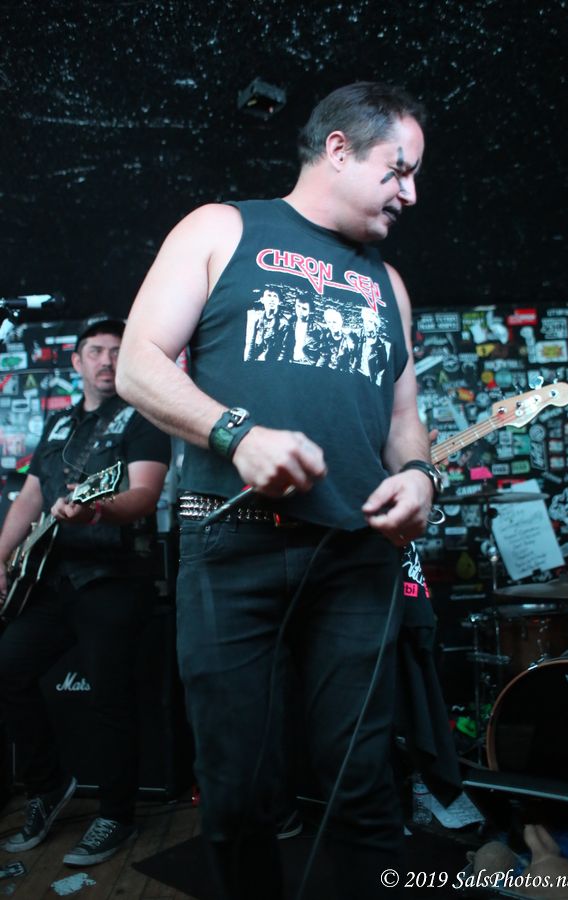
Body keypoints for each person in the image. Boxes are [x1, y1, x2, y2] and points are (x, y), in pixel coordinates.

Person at [116, 82, 441, 899]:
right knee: (238, 789)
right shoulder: (221, 228)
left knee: (363, 782)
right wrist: (236, 434)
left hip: (356, 553)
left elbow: (406, 419)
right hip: (234, 543)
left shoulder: (389, 284)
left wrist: (420, 475)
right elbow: (137, 365)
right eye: (399, 169)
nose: (411, 193)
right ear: (339, 149)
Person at [0, 314, 170, 866]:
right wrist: (0, 557)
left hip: (114, 580)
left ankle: (116, 815)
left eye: (117, 351)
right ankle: (47, 787)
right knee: (8, 669)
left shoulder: (144, 419)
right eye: (95, 351)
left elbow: (144, 493)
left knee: (109, 697)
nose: (106, 360)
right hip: (52, 580)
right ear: (76, 361)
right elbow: (31, 497)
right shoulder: (58, 425)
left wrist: (96, 510)